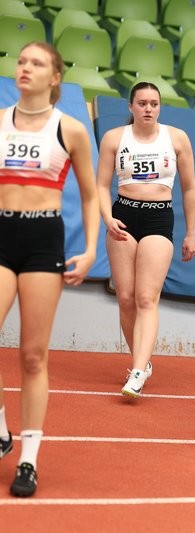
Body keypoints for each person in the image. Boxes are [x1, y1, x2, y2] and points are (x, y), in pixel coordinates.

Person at [0, 42, 100, 497]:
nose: (25, 68)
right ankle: (1, 426)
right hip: (2, 236)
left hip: (43, 242)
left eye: (36, 63)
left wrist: (92, 246)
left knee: (33, 355)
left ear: (54, 77)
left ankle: (27, 459)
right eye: (21, 61)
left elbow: (91, 193)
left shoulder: (72, 129)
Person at [96, 81, 195, 399]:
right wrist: (107, 217)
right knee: (126, 297)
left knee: (145, 298)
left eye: (154, 103)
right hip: (123, 215)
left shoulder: (177, 138)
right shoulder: (115, 138)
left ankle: (138, 371)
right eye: (142, 103)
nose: (148, 109)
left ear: (160, 107)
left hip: (158, 216)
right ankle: (141, 361)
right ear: (131, 107)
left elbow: (190, 188)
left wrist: (191, 234)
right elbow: (100, 185)